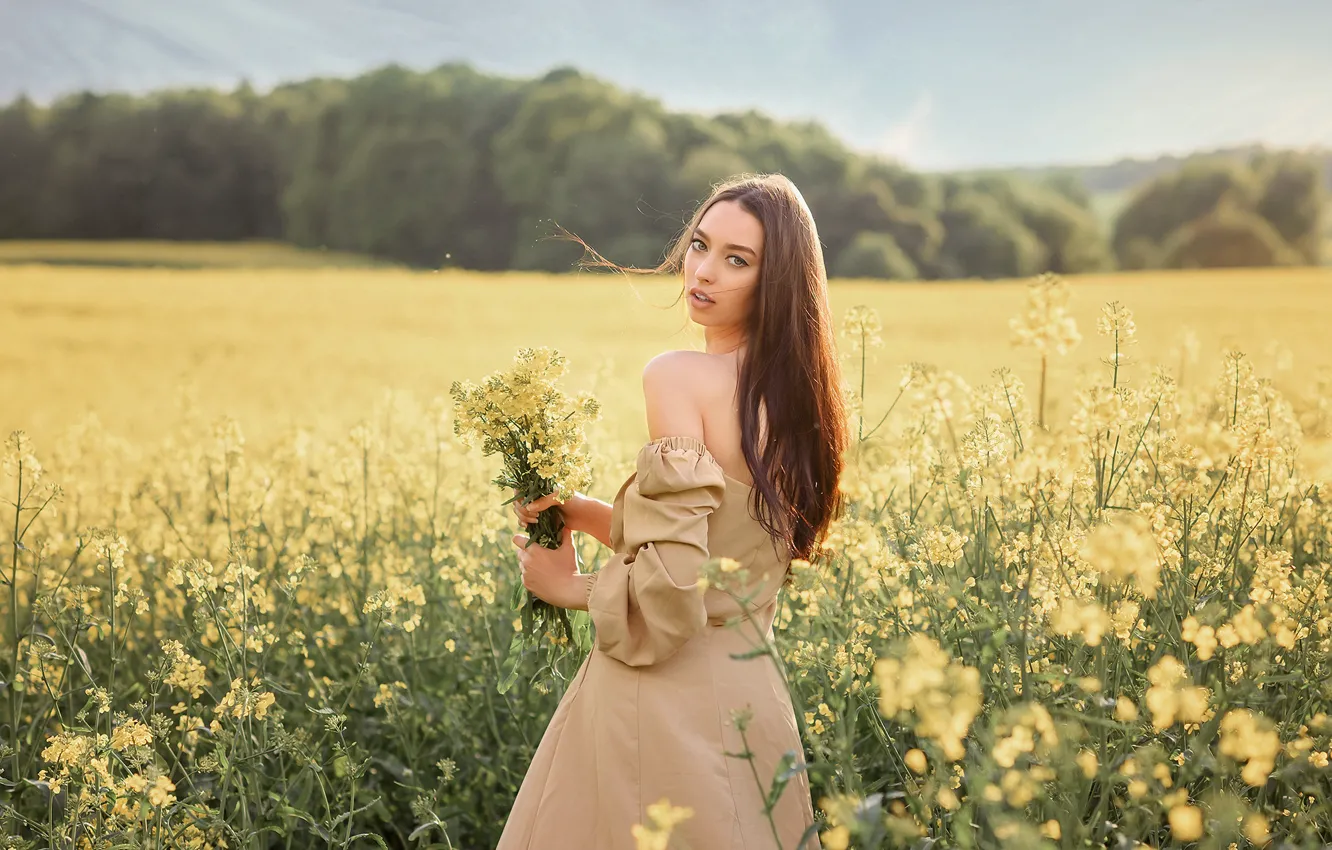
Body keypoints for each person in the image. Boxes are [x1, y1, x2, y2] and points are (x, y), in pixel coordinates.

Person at [497, 173, 847, 850]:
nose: (704, 271)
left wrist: (568, 589)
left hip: (661, 703)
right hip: (751, 701)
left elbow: (672, 596)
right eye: (700, 245)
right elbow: (725, 549)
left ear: (775, 283)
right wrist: (587, 514)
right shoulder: (806, 403)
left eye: (737, 260)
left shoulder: (678, 376)